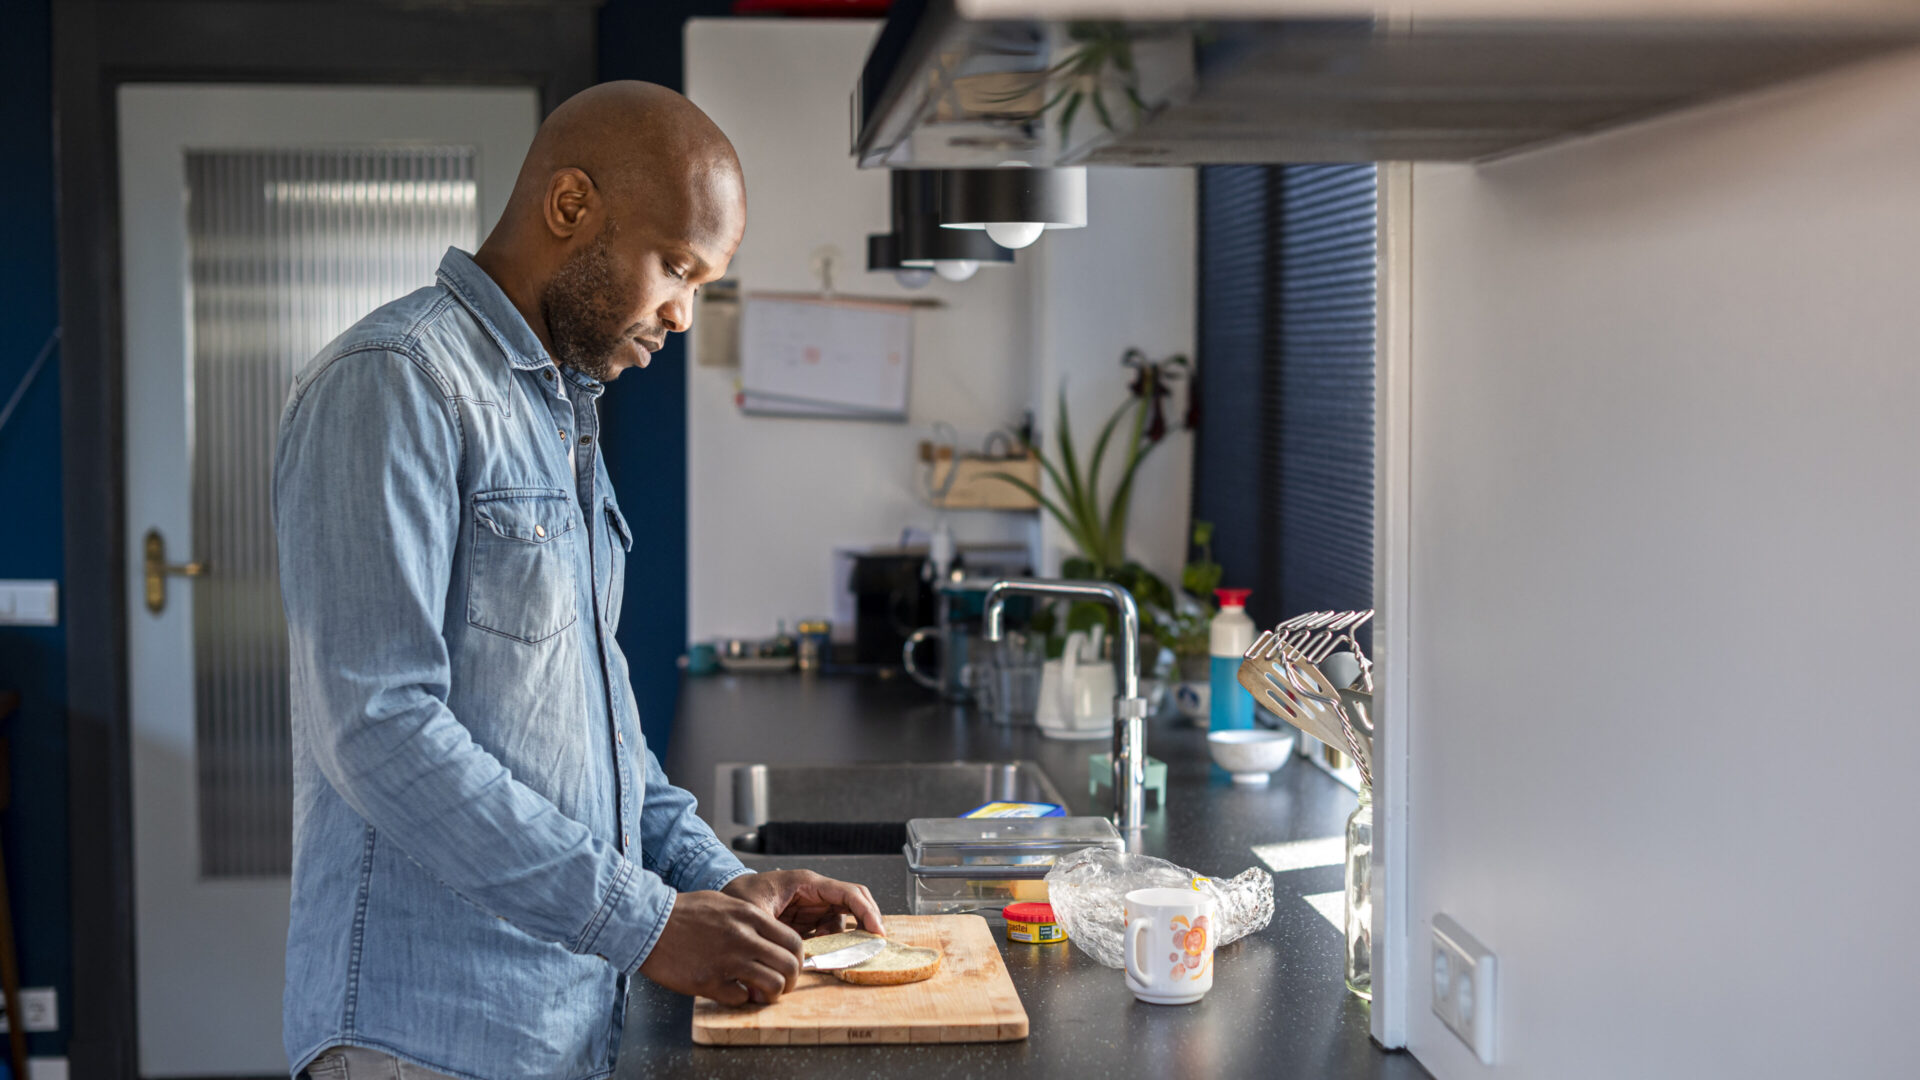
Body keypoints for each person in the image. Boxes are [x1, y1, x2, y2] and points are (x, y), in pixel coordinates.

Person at [273, 81, 882, 1080]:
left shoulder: (562, 410)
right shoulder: (395, 380)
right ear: (570, 208)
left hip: (556, 1024)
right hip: (423, 1038)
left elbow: (595, 736)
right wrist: (646, 922)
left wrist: (720, 886)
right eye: (676, 267)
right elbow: (378, 731)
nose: (683, 314)